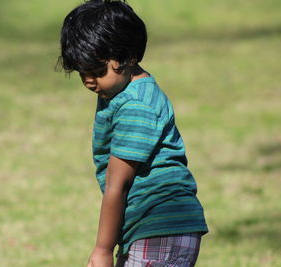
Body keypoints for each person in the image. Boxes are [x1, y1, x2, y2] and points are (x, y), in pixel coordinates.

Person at [58, 1, 208, 266]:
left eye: (97, 71)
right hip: (148, 227)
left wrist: (103, 249)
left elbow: (118, 184)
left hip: (161, 226)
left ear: (129, 57)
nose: (90, 82)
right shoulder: (120, 88)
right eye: (83, 73)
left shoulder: (135, 106)